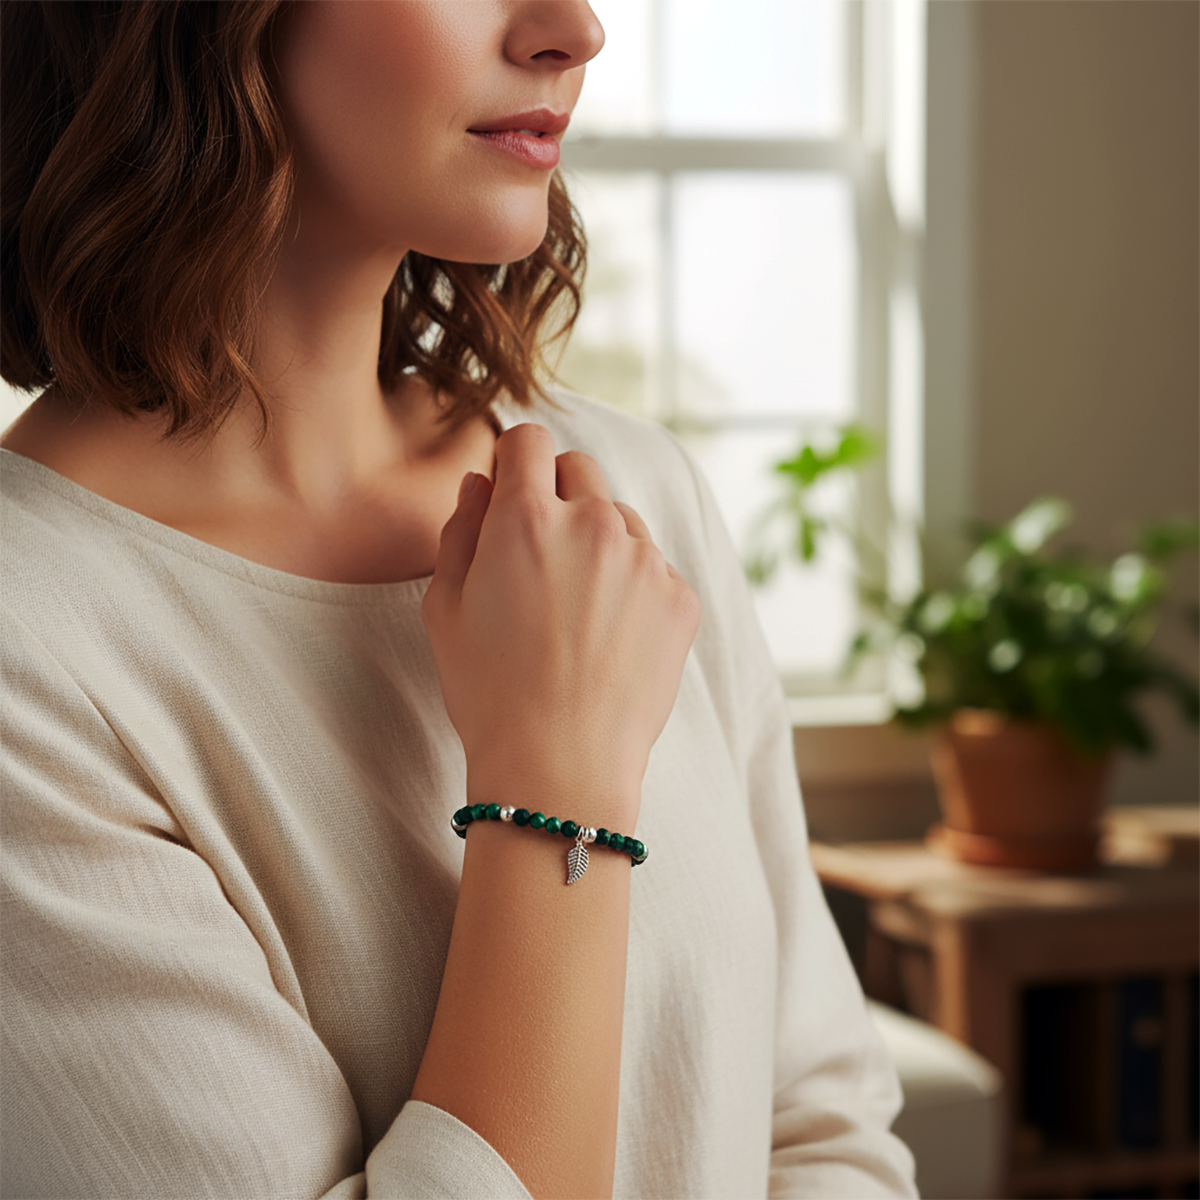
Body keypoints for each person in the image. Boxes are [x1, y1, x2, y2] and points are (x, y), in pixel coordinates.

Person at [0, 2, 918, 1197]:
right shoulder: (35, 654)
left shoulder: (633, 497)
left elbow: (823, 1126)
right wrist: (556, 775)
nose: (574, 30)